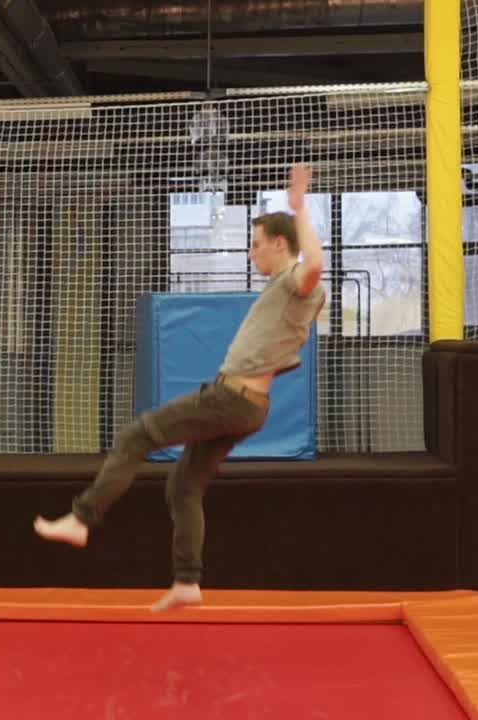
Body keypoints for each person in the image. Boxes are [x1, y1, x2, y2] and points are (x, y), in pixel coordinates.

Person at [34, 162, 327, 611]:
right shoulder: (285, 293)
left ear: (279, 243)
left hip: (232, 399)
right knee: (184, 486)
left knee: (136, 435)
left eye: (256, 245)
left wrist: (299, 207)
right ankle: (188, 581)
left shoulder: (293, 283)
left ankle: (82, 517)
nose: (252, 254)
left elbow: (315, 266)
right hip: (248, 404)